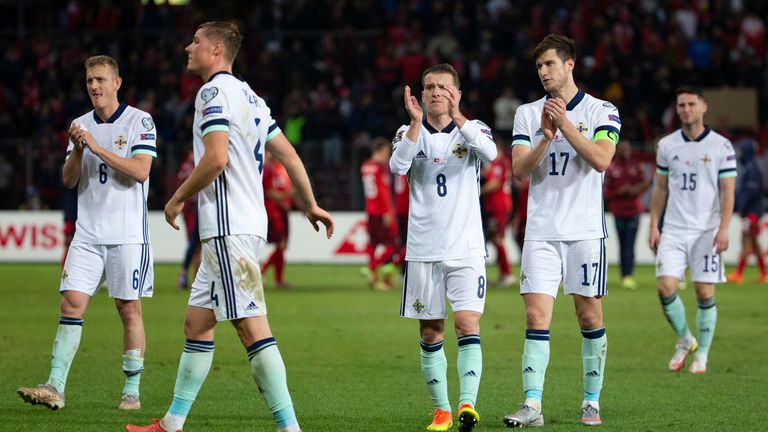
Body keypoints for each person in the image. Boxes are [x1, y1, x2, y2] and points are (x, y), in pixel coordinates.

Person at [126, 22, 334, 432]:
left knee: (250, 325)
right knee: (197, 322)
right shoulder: (251, 96)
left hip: (228, 226)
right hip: (246, 223)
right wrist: (309, 204)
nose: (188, 47)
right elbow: (289, 156)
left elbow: (216, 157)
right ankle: (172, 423)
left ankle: (290, 427)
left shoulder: (213, 92)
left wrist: (177, 196)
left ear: (216, 48)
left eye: (196, 41)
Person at [17, 55, 156, 411]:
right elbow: (68, 180)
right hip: (88, 234)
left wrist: (97, 147)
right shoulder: (79, 125)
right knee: (71, 303)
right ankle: (55, 385)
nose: (94, 86)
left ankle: (132, 391)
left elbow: (140, 171)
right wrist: (78, 150)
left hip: (127, 235)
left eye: (100, 80)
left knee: (128, 309)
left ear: (116, 83)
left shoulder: (140, 121)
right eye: (89, 81)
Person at [503, 34, 618, 428]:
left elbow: (602, 159)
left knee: (588, 317)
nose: (543, 72)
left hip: (585, 232)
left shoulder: (603, 110)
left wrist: (565, 124)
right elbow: (519, 171)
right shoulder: (526, 113)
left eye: (550, 64)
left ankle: (591, 400)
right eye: (539, 66)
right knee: (536, 317)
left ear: (570, 64)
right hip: (540, 231)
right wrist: (546, 137)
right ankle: (532, 405)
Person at [390, 63, 497, 432]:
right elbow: (396, 166)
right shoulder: (408, 133)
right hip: (423, 251)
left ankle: (467, 404)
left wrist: (458, 117)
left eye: (444, 87)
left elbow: (492, 154)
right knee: (431, 332)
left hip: (466, 249)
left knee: (468, 324)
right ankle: (442, 410)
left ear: (457, 94)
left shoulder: (473, 129)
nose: (436, 93)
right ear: (420, 95)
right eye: (430, 87)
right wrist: (416, 124)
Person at [649, 86, 736, 375]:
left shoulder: (722, 146)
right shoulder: (666, 145)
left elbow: (728, 192)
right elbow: (660, 188)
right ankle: (686, 339)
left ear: (703, 107)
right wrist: (654, 225)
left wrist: (724, 228)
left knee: (703, 290)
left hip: (707, 230)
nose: (686, 109)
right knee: (665, 287)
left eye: (691, 104)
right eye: (681, 105)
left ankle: (703, 357)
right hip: (673, 228)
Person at [603, 140, 652, 289]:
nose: (626, 152)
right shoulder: (611, 168)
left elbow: (645, 185)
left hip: (634, 211)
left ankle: (628, 275)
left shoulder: (636, 166)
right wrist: (619, 192)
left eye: (628, 149)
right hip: (618, 212)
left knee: (630, 244)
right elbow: (605, 193)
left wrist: (635, 190)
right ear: (617, 150)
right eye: (623, 149)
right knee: (622, 244)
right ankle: (624, 275)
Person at [361, 136, 400, 290]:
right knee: (393, 244)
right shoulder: (380, 167)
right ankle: (373, 268)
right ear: (383, 150)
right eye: (387, 153)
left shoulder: (365, 165)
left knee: (373, 243)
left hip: (370, 211)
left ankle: (374, 276)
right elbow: (383, 191)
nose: (388, 156)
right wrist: (388, 212)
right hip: (381, 211)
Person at [727, 139, 767, 284]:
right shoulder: (752, 168)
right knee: (754, 242)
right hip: (753, 212)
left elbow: (749, 193)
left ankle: (739, 273)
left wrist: (740, 208)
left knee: (746, 240)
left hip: (752, 213)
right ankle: (764, 274)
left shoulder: (752, 170)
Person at [481, 134, 515, 287]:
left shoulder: (499, 163)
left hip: (499, 205)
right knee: (496, 239)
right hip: (495, 206)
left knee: (498, 239)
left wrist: (478, 191)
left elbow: (495, 184)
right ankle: (504, 273)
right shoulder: (496, 164)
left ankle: (507, 274)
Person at [262, 151, 296, 289]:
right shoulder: (268, 169)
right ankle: (261, 271)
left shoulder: (280, 168)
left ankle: (279, 279)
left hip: (281, 210)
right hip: (273, 210)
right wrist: (284, 196)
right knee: (281, 244)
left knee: (281, 246)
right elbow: (269, 192)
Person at [175, 148, 201, 290]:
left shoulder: (193, 166)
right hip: (191, 210)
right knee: (195, 244)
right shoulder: (189, 168)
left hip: (196, 209)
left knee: (197, 246)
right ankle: (186, 276)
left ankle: (190, 278)